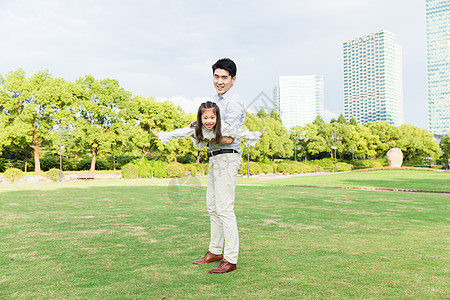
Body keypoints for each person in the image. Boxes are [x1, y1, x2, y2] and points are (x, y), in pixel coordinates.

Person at [193, 58, 246, 274]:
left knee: (224, 209)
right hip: (215, 157)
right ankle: (215, 250)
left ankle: (230, 259)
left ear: (233, 79)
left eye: (224, 77)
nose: (220, 81)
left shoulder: (234, 103)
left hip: (228, 156)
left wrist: (201, 135)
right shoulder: (213, 101)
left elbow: (228, 137)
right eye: (216, 76)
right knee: (212, 207)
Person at [151, 101, 264, 150]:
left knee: (232, 133)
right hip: (202, 139)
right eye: (205, 118)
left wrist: (256, 135)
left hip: (215, 137)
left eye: (212, 118)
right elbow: (178, 133)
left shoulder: (223, 127)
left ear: (217, 118)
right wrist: (161, 135)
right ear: (200, 118)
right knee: (188, 132)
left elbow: (238, 132)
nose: (209, 121)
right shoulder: (195, 128)